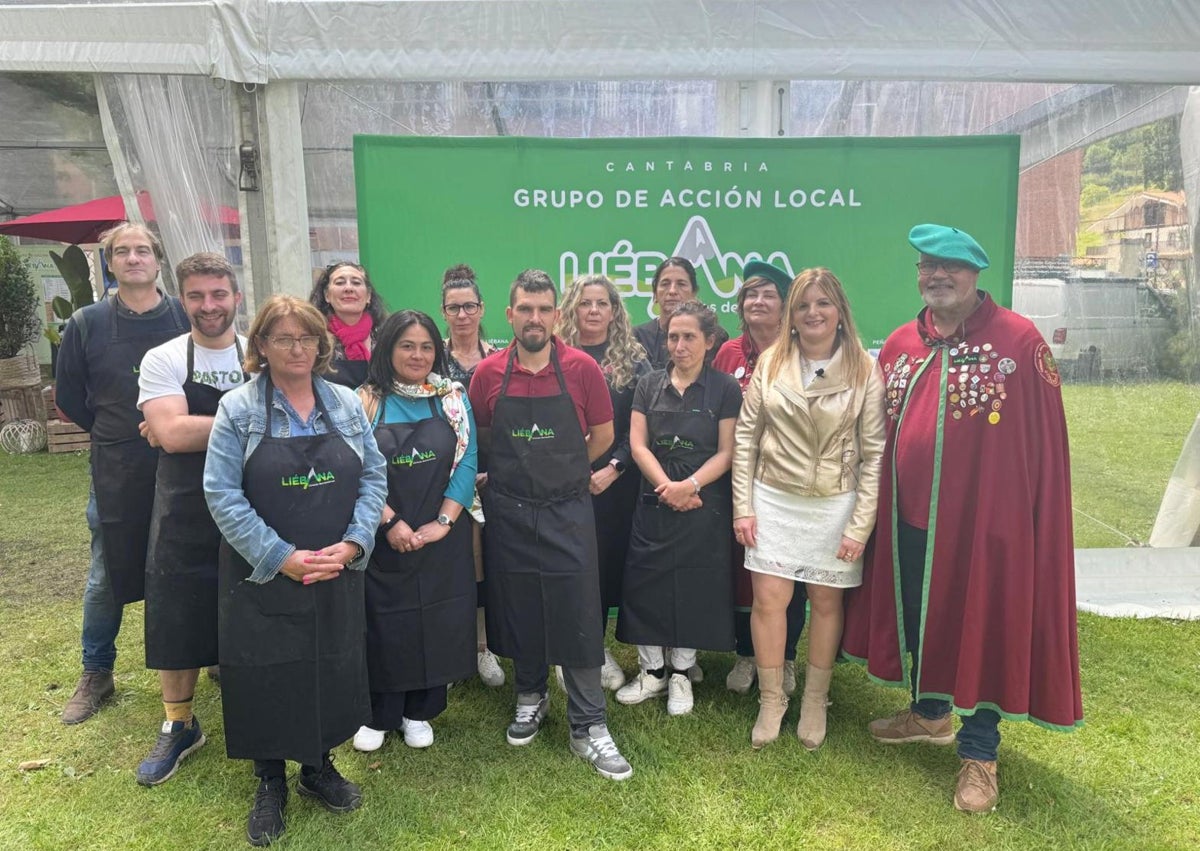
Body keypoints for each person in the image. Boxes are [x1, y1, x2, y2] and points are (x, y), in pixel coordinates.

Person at [841, 224, 1083, 813]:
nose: (936, 276)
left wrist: (1023, 523)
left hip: (986, 529)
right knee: (925, 617)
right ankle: (929, 715)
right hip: (910, 524)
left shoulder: (1019, 344)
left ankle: (980, 753)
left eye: (950, 267)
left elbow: (1043, 446)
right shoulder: (901, 344)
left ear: (976, 275)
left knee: (984, 626)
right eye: (927, 266)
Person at [204, 295, 387, 846]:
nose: (297, 348)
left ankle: (317, 769)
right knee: (266, 669)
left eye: (306, 337)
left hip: (334, 567)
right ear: (261, 345)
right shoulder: (239, 409)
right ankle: (270, 782)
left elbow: (373, 477)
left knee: (331, 662)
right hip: (262, 574)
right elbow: (221, 493)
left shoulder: (345, 405)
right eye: (283, 339)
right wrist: (279, 556)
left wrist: (354, 543)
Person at [468, 269, 633, 781]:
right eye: (525, 309)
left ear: (555, 316)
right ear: (509, 314)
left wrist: (563, 471)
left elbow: (604, 435)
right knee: (519, 603)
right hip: (510, 512)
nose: (534, 318)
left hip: (567, 509)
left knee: (577, 607)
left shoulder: (583, 369)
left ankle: (588, 723)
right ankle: (530, 696)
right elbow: (485, 436)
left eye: (543, 309)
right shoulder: (488, 375)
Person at [732, 267, 885, 750]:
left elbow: (875, 453)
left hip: (836, 504)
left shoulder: (864, 367)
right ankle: (772, 700)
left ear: (839, 311)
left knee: (824, 603)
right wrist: (743, 508)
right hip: (773, 498)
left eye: (822, 303)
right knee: (769, 602)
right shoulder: (772, 362)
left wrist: (860, 526)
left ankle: (816, 699)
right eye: (802, 305)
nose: (813, 313)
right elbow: (746, 439)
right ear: (791, 317)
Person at [54, 222, 190, 725]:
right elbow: (70, 397)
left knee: (195, 559)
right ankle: (97, 671)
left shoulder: (183, 315)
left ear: (157, 260)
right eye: (122, 252)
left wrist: (168, 427)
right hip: (117, 466)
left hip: (183, 461)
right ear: (109, 264)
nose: (134, 258)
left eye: (143, 250)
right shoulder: (87, 324)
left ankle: (211, 654)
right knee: (107, 571)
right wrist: (122, 429)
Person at [134, 252, 247, 785]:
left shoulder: (257, 353)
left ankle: (257, 704)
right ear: (183, 300)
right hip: (183, 506)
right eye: (198, 296)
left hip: (253, 504)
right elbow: (172, 435)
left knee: (252, 602)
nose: (209, 306)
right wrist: (250, 423)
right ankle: (179, 722)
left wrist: (184, 425)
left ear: (236, 298)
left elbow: (179, 429)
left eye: (218, 294)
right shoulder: (163, 358)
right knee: (176, 604)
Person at [352, 310, 478, 753]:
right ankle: (380, 712)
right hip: (383, 532)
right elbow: (357, 468)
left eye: (427, 346)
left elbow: (467, 461)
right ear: (387, 349)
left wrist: (442, 523)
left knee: (436, 619)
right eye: (407, 345)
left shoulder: (451, 398)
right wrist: (390, 522)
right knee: (384, 622)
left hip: (440, 534)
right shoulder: (365, 401)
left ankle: (421, 710)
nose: (418, 355)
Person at [615, 301, 741, 716]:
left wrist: (689, 485)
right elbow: (637, 444)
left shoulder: (725, 388)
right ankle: (652, 672)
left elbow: (727, 451)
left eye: (689, 337)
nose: (680, 345)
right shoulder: (649, 384)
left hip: (704, 499)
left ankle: (682, 673)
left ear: (709, 340)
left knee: (693, 585)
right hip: (654, 496)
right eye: (673, 336)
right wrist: (666, 486)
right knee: (645, 582)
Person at [713, 259, 808, 698]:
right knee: (742, 570)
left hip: (788, 485)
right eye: (751, 293)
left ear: (785, 305)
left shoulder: (803, 351)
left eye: (769, 294)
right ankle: (747, 654)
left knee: (787, 570)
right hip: (737, 483)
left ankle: (785, 659)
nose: (758, 301)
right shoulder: (728, 354)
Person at [555, 274, 652, 691]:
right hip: (564, 481)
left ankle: (596, 644)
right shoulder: (554, 356)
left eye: (602, 303)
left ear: (614, 311)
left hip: (616, 483)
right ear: (572, 309)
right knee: (573, 566)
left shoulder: (634, 361)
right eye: (585, 303)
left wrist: (615, 465)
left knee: (608, 566)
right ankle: (571, 652)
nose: (593, 311)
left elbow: (644, 423)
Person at [440, 263, 504, 688]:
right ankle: (448, 650)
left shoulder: (498, 358)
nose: (462, 315)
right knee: (448, 564)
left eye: (469, 307)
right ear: (444, 312)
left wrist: (490, 470)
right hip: (441, 480)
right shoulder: (430, 354)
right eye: (453, 308)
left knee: (488, 565)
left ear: (482, 309)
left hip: (492, 477)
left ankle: (484, 647)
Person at [632, 257, 728, 370]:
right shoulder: (637, 337)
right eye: (665, 284)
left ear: (694, 293)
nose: (672, 291)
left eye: (681, 284)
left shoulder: (715, 336)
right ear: (655, 293)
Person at [308, 261, 386, 388]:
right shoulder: (315, 339)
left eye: (356, 282)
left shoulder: (385, 337)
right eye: (340, 283)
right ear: (327, 295)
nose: (349, 288)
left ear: (368, 296)